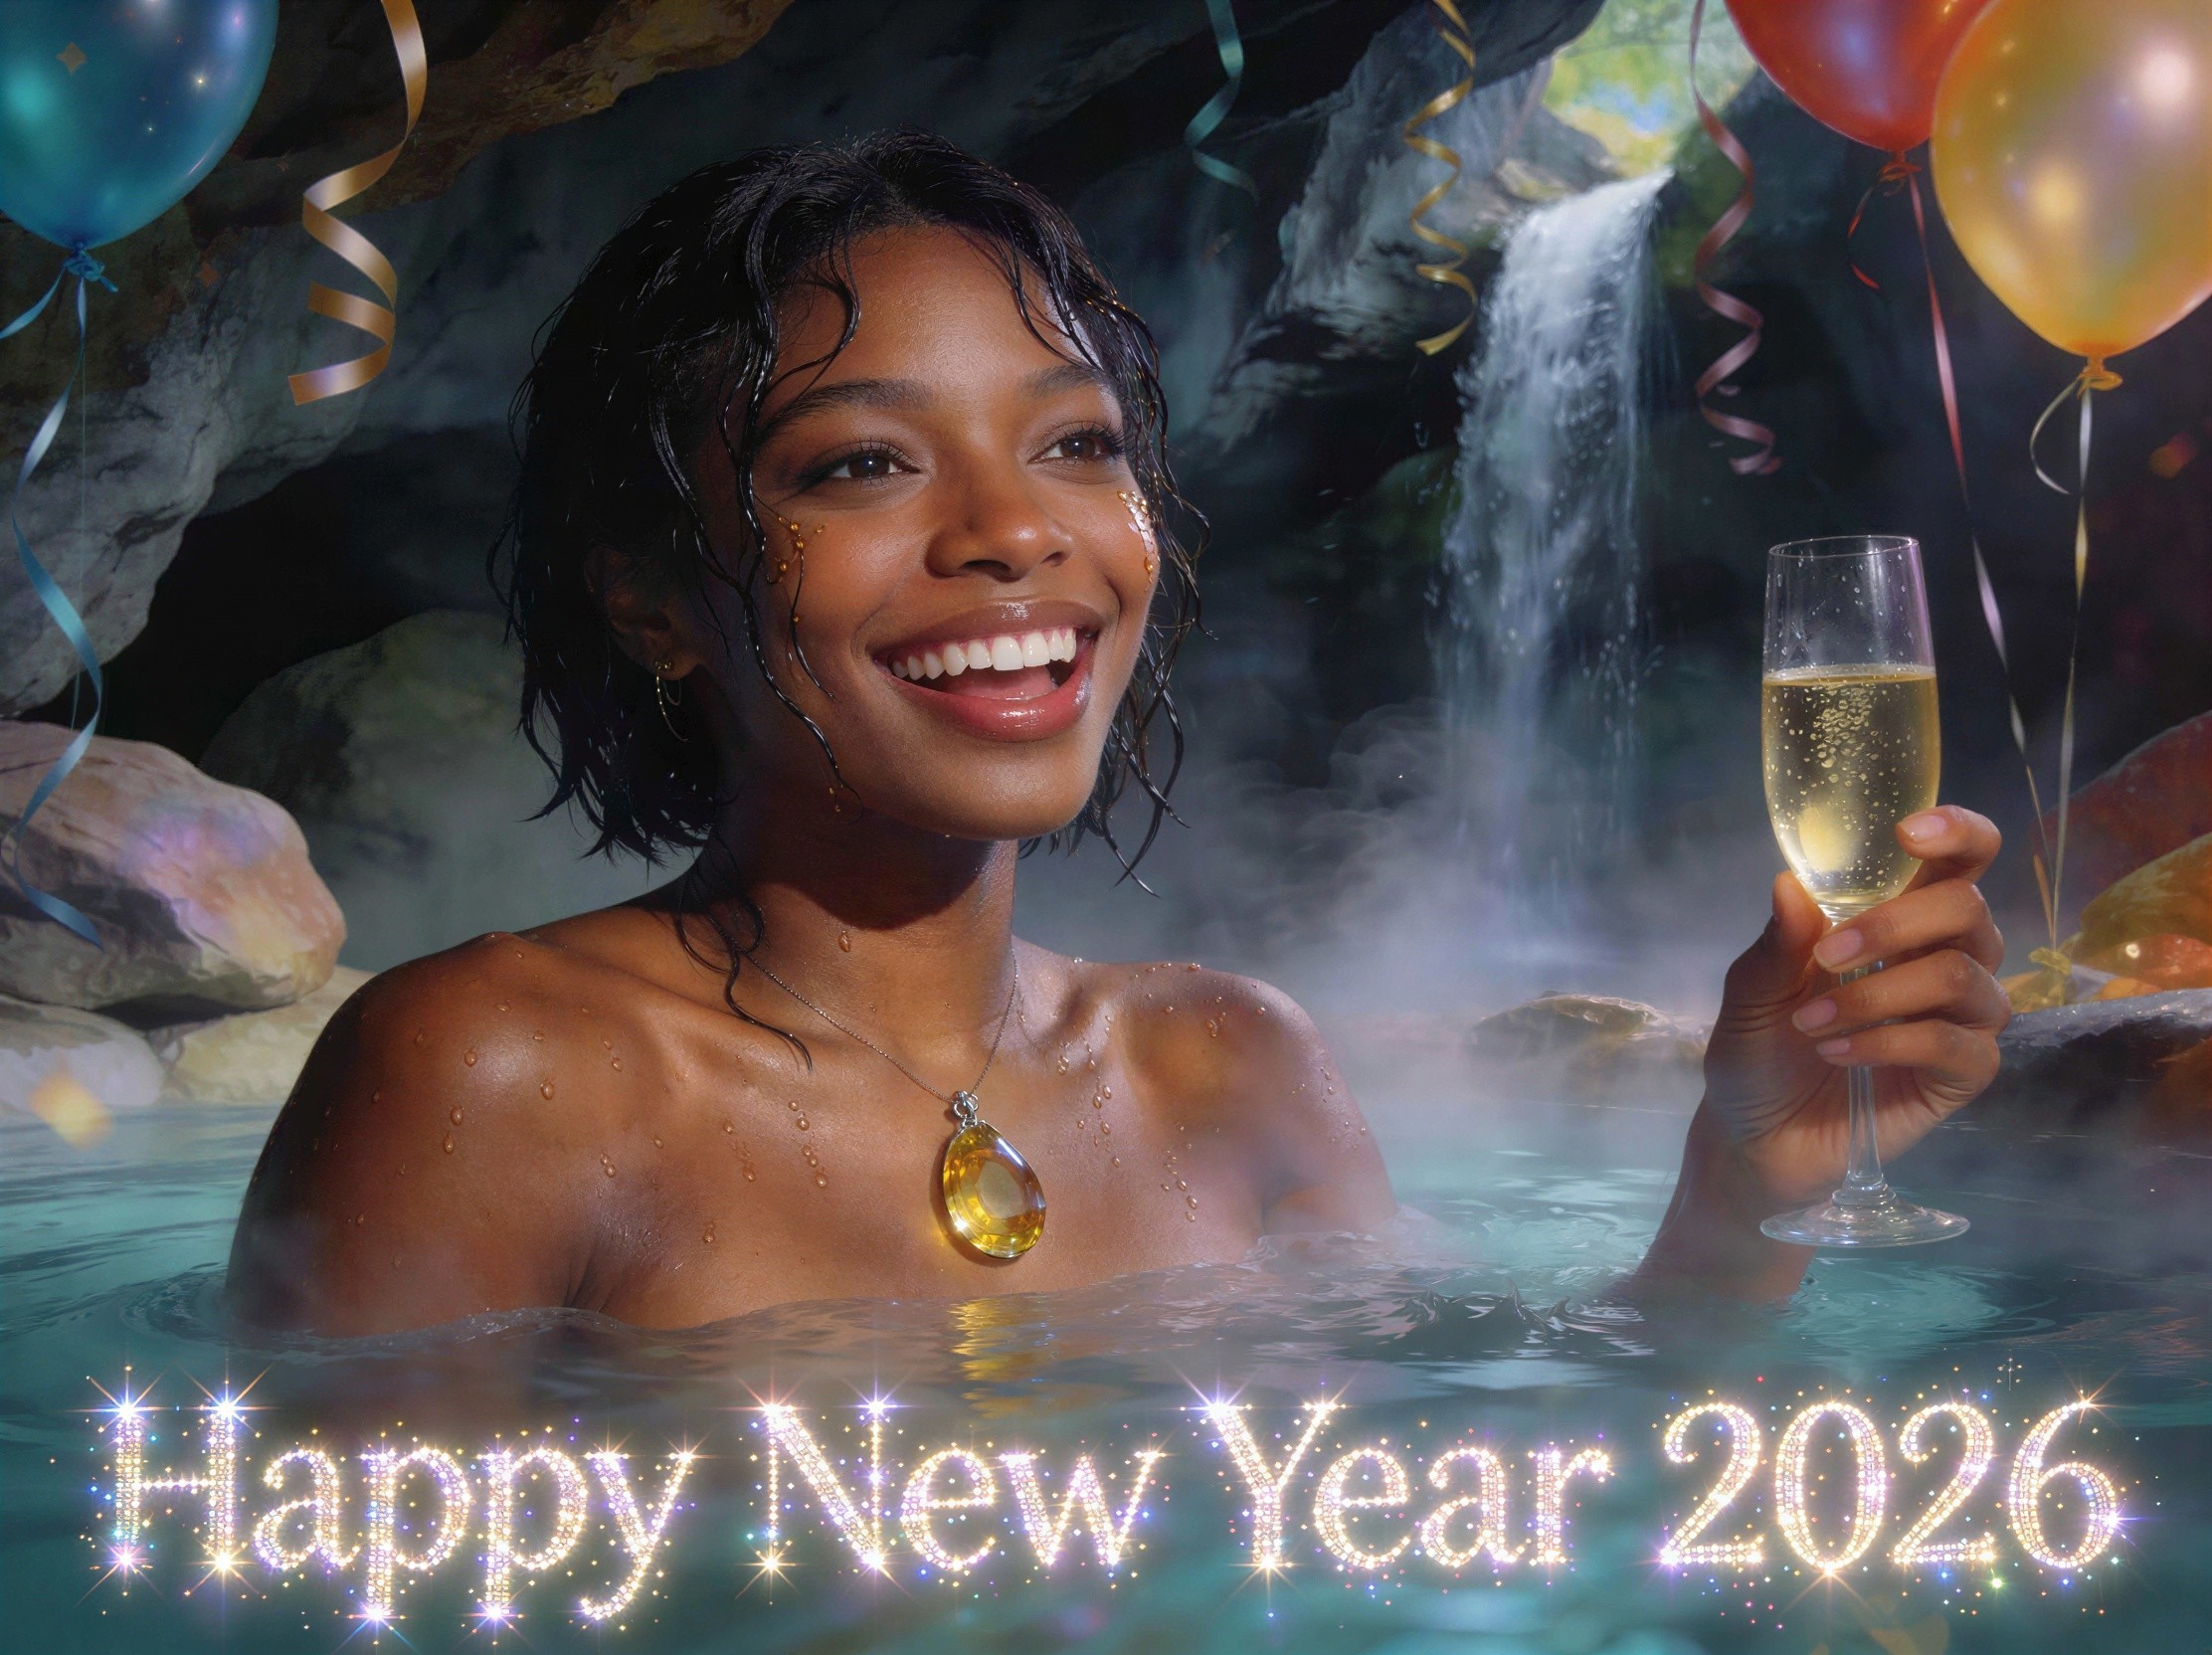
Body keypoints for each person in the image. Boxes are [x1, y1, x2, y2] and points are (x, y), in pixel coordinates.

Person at [227, 133, 2010, 1334]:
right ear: (646, 597)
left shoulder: (1228, 1065)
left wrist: (1749, 1167)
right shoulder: (491, 1079)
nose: (1018, 532)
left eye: (1077, 443)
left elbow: (1543, 1472)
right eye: (861, 461)